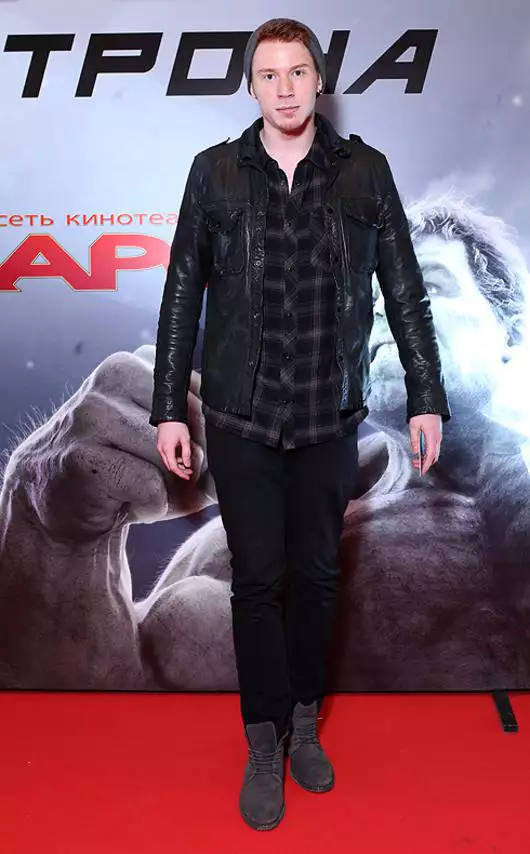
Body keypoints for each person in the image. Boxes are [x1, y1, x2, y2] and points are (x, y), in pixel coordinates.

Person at [150, 18, 449, 831]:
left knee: (317, 580)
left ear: (319, 80)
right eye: (268, 74)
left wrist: (426, 393)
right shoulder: (214, 174)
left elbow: (405, 291)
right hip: (240, 419)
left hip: (327, 415)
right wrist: (168, 407)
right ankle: (264, 738)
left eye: (297, 72)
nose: (284, 88)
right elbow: (181, 296)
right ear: (252, 86)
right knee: (256, 583)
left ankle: (306, 720)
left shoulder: (364, 172)